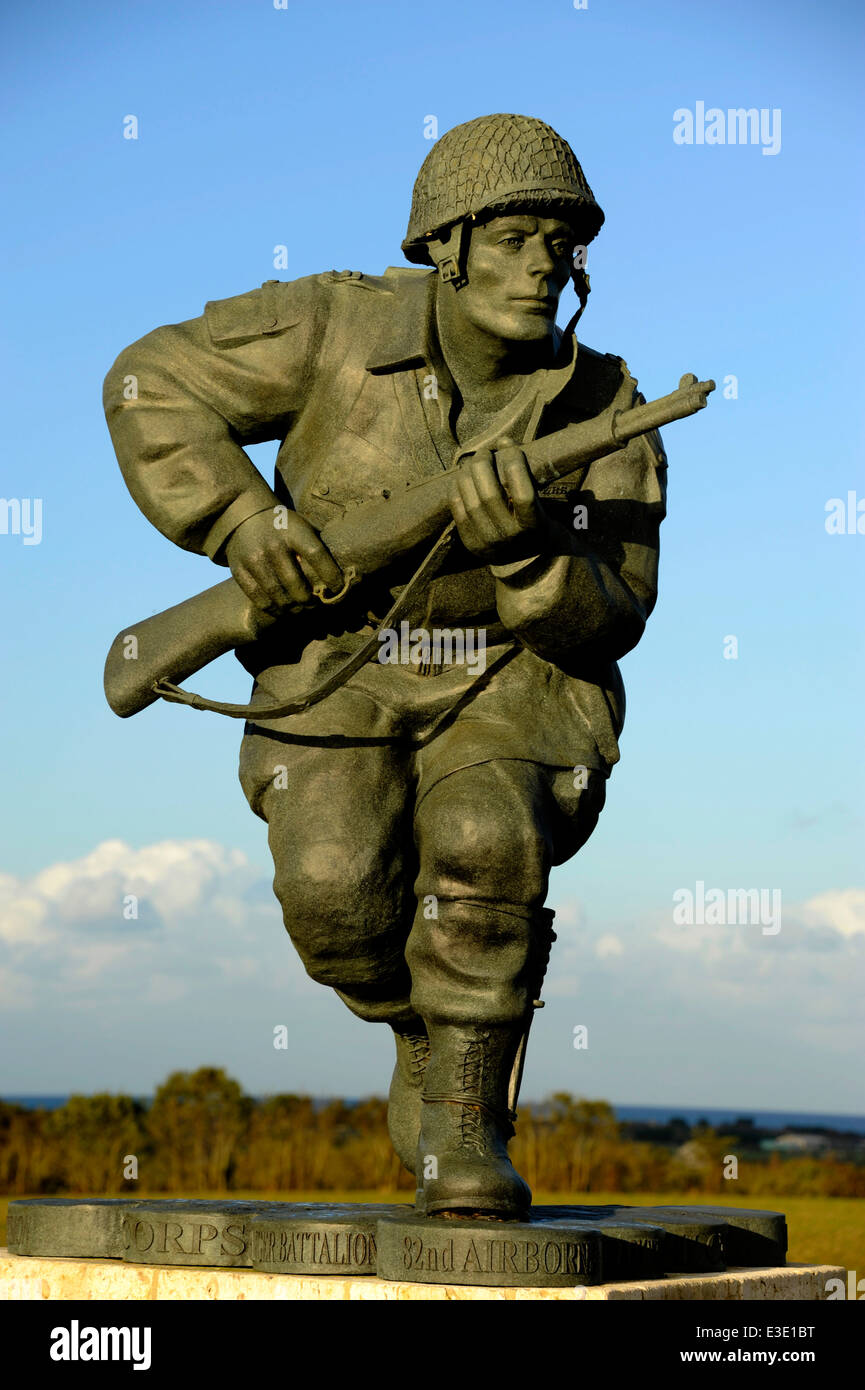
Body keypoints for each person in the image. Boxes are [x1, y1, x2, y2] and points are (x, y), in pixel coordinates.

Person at [104, 113, 667, 1219]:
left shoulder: (609, 402)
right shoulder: (330, 321)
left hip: (509, 675)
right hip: (341, 659)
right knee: (334, 893)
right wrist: (242, 526)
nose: (542, 264)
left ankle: (466, 1122)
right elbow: (145, 383)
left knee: (486, 842)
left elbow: (617, 607)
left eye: (561, 244)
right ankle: (422, 1028)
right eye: (512, 238)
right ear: (445, 246)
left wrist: (530, 557)